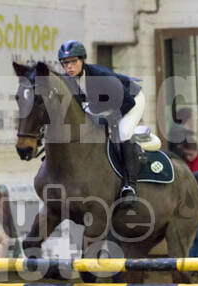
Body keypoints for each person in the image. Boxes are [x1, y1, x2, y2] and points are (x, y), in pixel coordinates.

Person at [58, 40, 143, 205]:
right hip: (102, 104)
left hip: (131, 99)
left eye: (73, 62)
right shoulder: (66, 81)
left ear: (83, 60)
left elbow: (127, 103)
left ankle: (130, 186)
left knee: (123, 133)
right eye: (65, 63)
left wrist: (109, 119)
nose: (69, 67)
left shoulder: (100, 75)